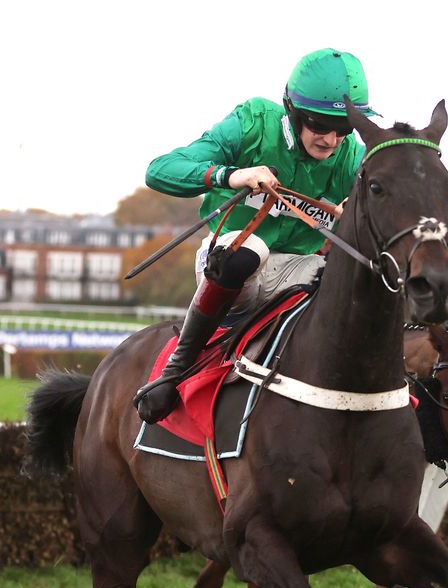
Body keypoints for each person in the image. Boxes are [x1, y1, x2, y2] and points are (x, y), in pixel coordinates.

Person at [133, 48, 376, 423]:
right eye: (319, 125)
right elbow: (159, 170)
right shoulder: (253, 122)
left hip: (298, 271)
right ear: (292, 112)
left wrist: (356, 218)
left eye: (343, 130)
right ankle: (175, 370)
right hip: (230, 262)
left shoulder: (352, 159)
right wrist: (232, 176)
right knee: (250, 251)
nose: (331, 140)